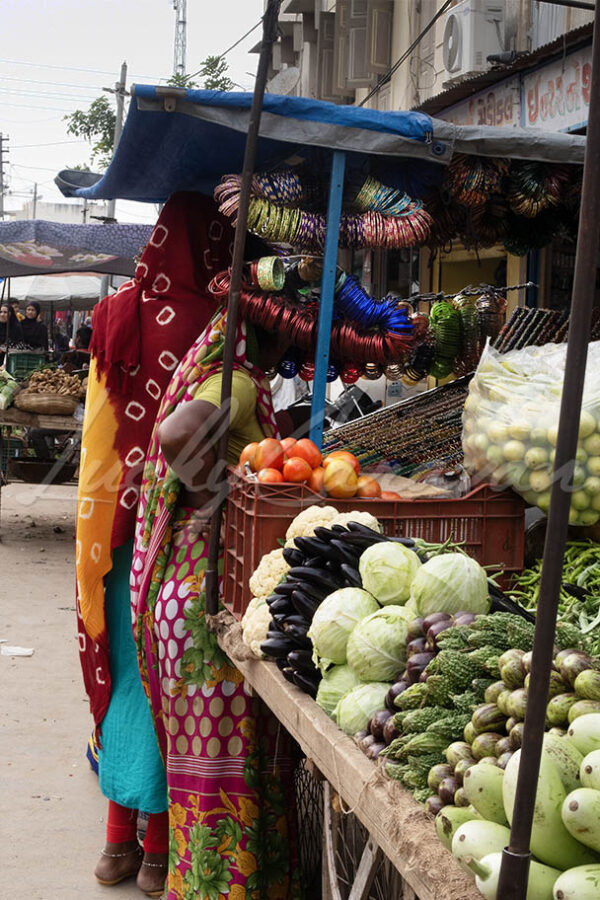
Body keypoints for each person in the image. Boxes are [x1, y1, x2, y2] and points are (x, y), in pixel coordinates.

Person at [74, 193, 240, 897]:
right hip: (177, 536)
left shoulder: (111, 314)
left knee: (121, 681)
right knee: (170, 691)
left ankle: (116, 846)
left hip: (110, 523)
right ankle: (156, 854)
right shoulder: (218, 321)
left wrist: (101, 515)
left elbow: (97, 432)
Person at [130, 304, 300, 900]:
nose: (293, 345)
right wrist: (218, 495)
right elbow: (177, 434)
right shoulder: (239, 383)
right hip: (204, 594)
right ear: (268, 331)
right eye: (290, 331)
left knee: (206, 772)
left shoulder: (219, 371)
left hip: (183, 593)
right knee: (226, 769)